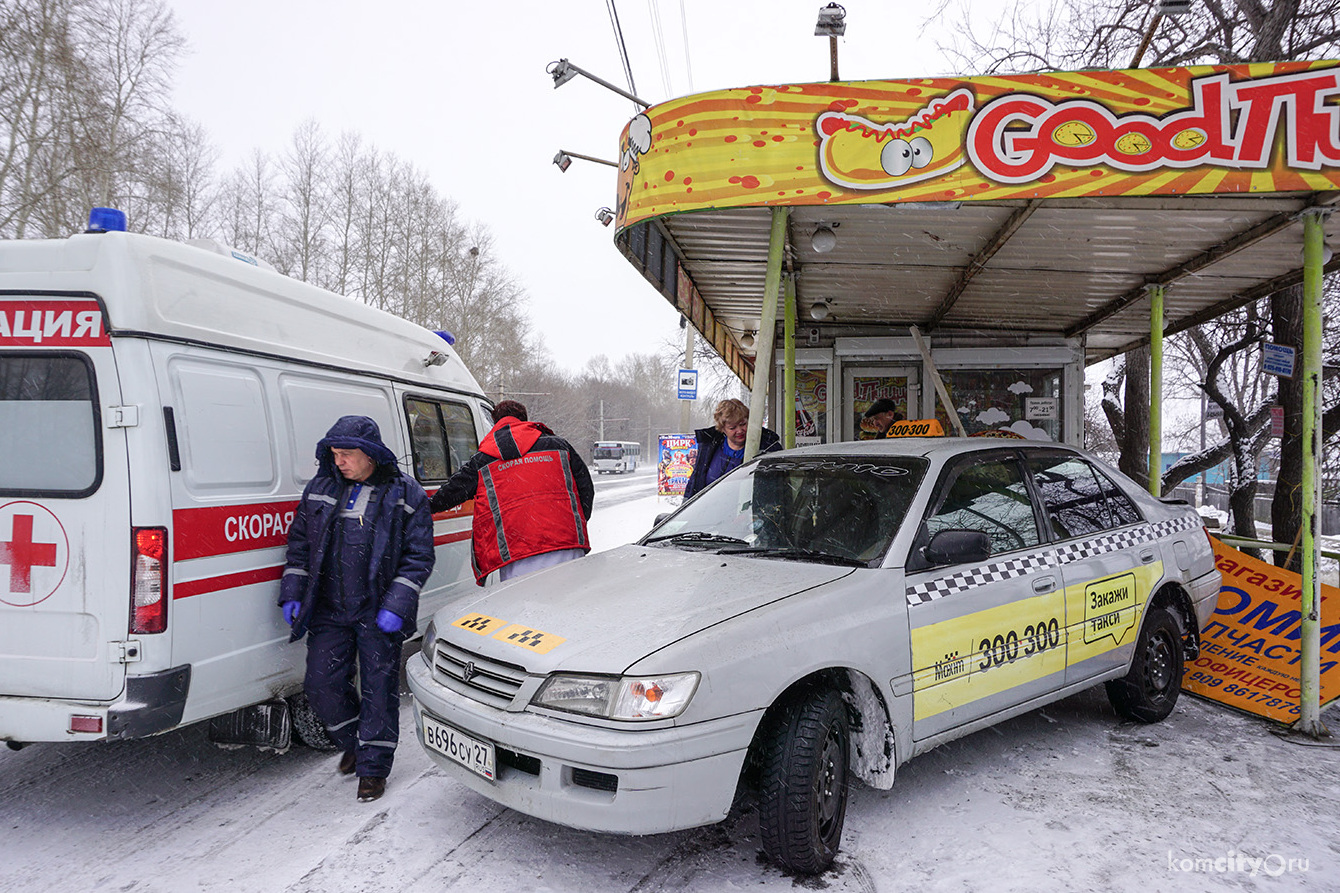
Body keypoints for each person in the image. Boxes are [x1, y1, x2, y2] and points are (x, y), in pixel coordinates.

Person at [279, 415, 435, 803]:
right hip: (329, 607)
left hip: (377, 608)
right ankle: (354, 741)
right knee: (320, 685)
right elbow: (300, 544)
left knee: (379, 689)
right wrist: (293, 591)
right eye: (335, 454)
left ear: (371, 455)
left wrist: (397, 603)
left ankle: (373, 769)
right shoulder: (321, 488)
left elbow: (419, 556)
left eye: (347, 454)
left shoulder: (405, 494)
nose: (340, 461)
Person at [429, 400, 594, 583]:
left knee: (524, 608)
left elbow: (452, 492)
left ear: (495, 422)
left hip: (515, 554)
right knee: (569, 601)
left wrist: (423, 505)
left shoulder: (483, 459)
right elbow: (586, 489)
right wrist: (572, 523)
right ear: (524, 419)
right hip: (566, 546)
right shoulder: (559, 446)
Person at [683, 398, 781, 499]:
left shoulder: (768, 447)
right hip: (710, 510)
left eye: (743, 424)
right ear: (723, 429)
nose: (739, 431)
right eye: (732, 428)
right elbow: (695, 483)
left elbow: (777, 489)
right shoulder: (709, 447)